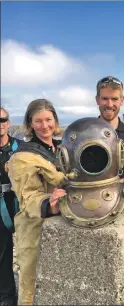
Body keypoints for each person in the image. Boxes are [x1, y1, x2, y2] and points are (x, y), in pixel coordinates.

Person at [7, 99, 66, 305]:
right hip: (33, 229)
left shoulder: (60, 149)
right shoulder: (23, 156)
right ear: (30, 124)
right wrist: (47, 203)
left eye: (48, 119)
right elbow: (28, 197)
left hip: (61, 226)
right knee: (30, 287)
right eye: (38, 121)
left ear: (55, 120)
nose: (45, 126)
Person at [96, 76, 124, 207]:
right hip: (93, 204)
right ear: (97, 100)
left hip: (121, 204)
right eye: (105, 98)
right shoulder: (86, 133)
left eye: (115, 99)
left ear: (121, 100)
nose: (110, 104)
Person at [0, 108, 21, 306]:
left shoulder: (21, 147)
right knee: (4, 251)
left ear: (8, 122)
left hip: (19, 202)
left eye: (3, 119)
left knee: (28, 249)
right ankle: (7, 296)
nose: (0, 123)